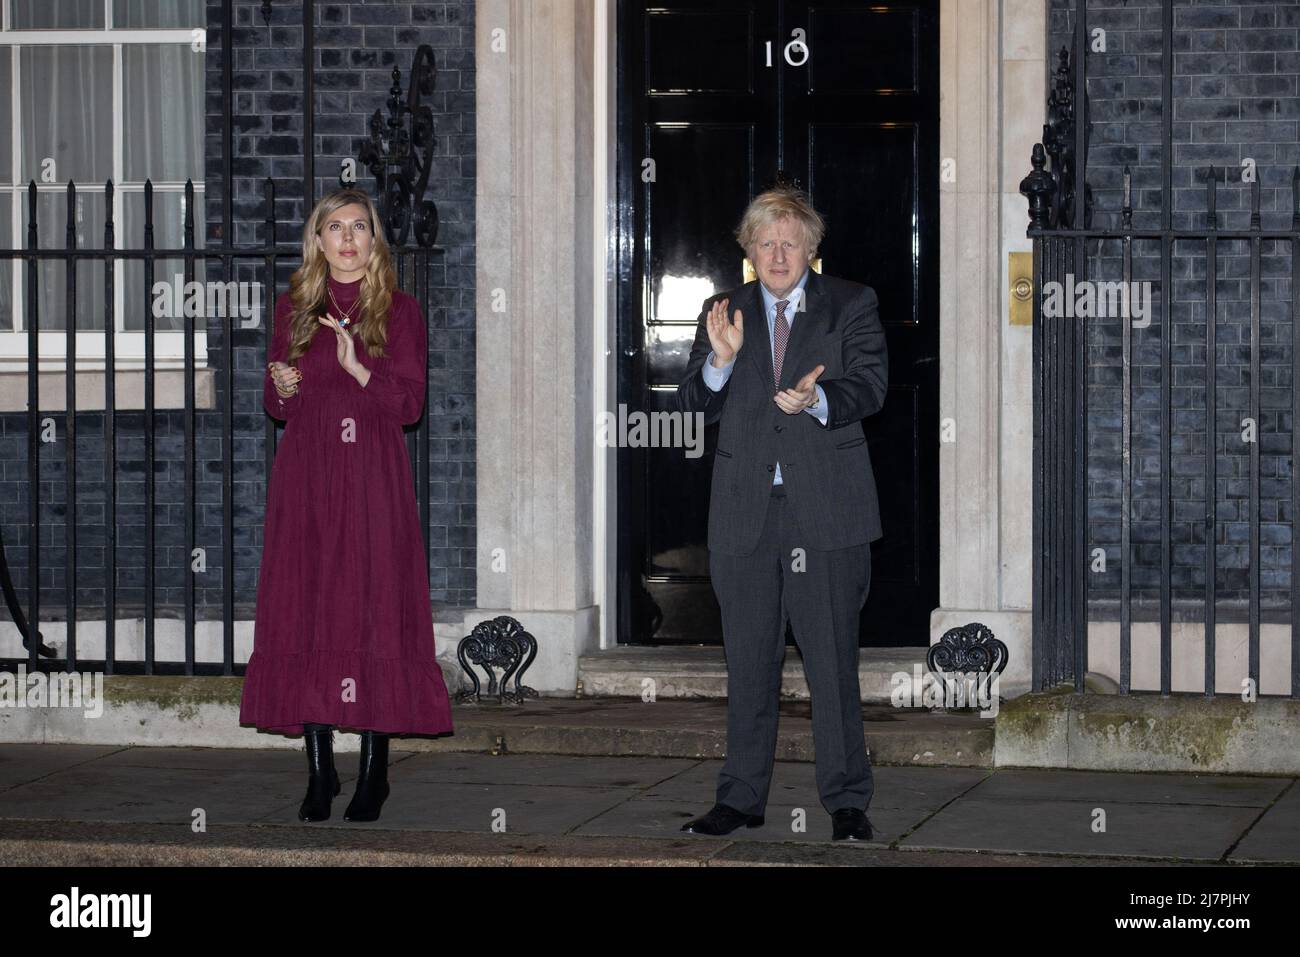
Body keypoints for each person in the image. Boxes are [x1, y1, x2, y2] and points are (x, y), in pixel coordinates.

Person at [675, 186, 887, 841]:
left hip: (824, 514)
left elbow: (872, 384)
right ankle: (739, 798)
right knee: (748, 664)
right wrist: (720, 361)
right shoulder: (723, 311)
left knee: (832, 664)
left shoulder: (850, 303)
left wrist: (819, 397)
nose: (777, 253)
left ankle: (847, 801)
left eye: (789, 241)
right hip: (745, 517)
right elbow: (690, 403)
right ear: (749, 249)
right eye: (765, 241)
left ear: (811, 248)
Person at [239, 188, 454, 823]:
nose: (349, 238)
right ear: (319, 240)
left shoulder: (400, 312)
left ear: (374, 240)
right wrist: (281, 385)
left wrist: (360, 368)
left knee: (372, 611)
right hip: (307, 479)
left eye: (360, 227)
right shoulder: (295, 309)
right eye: (336, 227)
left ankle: (373, 772)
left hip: (371, 483)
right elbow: (279, 406)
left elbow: (409, 406)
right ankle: (317, 769)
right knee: (306, 609)